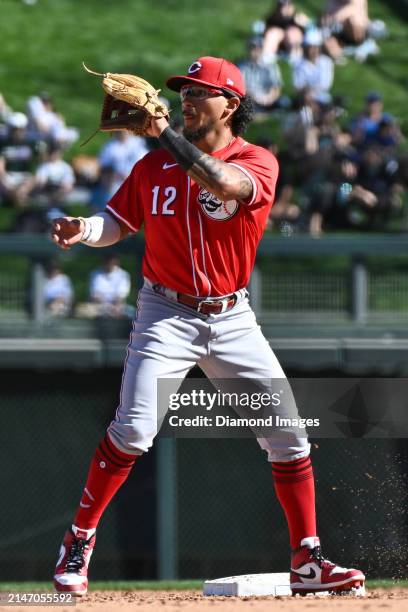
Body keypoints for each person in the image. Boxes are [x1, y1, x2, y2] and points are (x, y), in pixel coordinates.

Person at [51, 56, 364, 596]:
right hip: (165, 313)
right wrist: (85, 228)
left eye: (199, 92)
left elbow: (220, 180)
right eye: (183, 92)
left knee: (289, 436)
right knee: (132, 430)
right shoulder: (153, 167)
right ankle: (77, 544)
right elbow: (117, 223)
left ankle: (308, 562)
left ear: (231, 103)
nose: (185, 100)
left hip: (232, 316)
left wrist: (164, 133)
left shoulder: (256, 160)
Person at [238, 36, 284, 118]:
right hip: (250, 98)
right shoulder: (242, 65)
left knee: (284, 103)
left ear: (262, 49)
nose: (255, 51)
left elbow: (276, 87)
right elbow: (241, 87)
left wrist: (270, 98)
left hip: (267, 99)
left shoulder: (271, 66)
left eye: (258, 48)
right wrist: (254, 97)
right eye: (252, 48)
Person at [292, 29, 334, 105]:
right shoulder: (298, 63)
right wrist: (307, 92)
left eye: (315, 47)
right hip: (303, 97)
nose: (312, 50)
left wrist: (311, 91)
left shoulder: (327, 62)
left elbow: (325, 85)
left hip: (321, 96)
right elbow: (298, 85)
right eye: (309, 47)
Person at [88, 252, 131, 317]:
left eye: (111, 260)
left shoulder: (123, 275)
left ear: (116, 262)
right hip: (99, 306)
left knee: (129, 312)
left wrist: (115, 307)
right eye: (107, 260)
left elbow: (121, 296)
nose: (109, 262)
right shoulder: (95, 274)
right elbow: (95, 295)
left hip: (118, 306)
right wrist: (106, 307)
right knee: (86, 310)